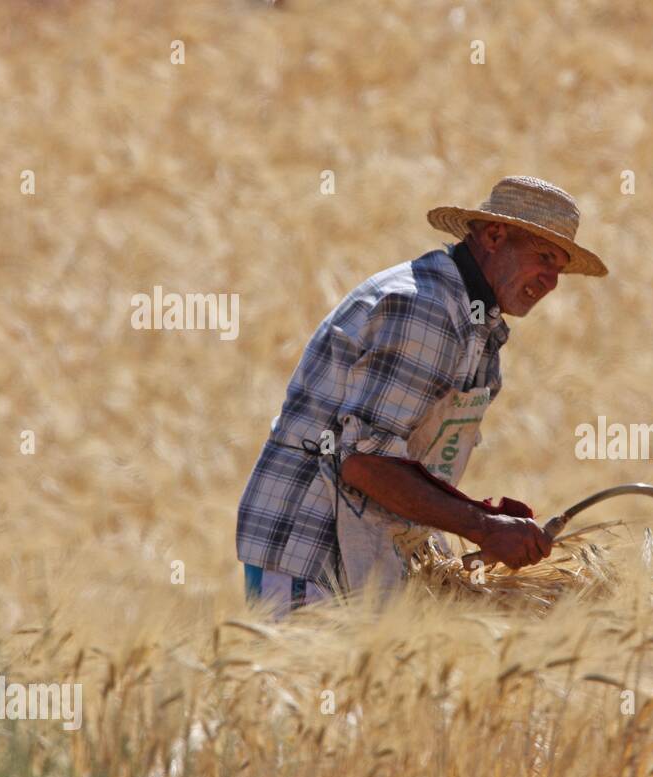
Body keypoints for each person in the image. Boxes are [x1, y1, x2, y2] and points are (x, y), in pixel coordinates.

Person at [236, 175, 608, 613]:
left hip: (356, 558)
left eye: (559, 268)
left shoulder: (474, 323)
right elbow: (365, 464)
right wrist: (485, 527)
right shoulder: (426, 308)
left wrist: (482, 518)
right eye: (544, 257)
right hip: (311, 552)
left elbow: (408, 462)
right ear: (493, 235)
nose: (551, 281)